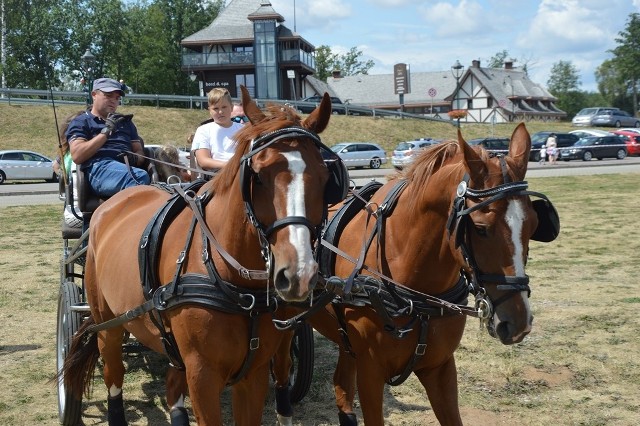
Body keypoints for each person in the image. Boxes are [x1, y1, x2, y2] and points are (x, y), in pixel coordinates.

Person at [66, 77, 149, 198]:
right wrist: (106, 132)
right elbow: (77, 156)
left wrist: (136, 158)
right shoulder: (81, 122)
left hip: (127, 168)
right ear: (94, 94)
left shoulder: (126, 123)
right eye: (108, 95)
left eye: (117, 98)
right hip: (97, 169)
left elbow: (139, 151)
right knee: (139, 177)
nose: (114, 101)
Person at [190, 88, 244, 172]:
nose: (221, 112)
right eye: (216, 108)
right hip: (216, 176)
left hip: (243, 172)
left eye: (224, 107)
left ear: (232, 107)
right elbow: (203, 161)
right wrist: (230, 165)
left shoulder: (243, 129)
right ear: (210, 111)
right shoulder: (203, 130)